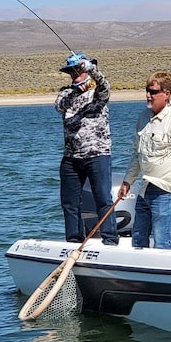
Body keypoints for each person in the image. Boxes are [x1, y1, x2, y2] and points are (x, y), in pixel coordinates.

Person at [117, 71, 171, 249]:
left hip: (168, 190)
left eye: (154, 92)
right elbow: (137, 153)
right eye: (147, 90)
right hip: (146, 187)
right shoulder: (143, 117)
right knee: (138, 238)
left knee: (162, 240)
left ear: (167, 94)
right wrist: (128, 180)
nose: (149, 95)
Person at [56, 52, 119, 245]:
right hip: (71, 157)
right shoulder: (66, 93)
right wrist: (77, 90)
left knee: (103, 198)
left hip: (97, 154)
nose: (75, 74)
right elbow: (59, 106)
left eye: (79, 70)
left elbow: (105, 86)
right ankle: (74, 240)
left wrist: (91, 69)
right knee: (70, 203)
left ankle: (110, 239)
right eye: (72, 71)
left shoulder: (99, 93)